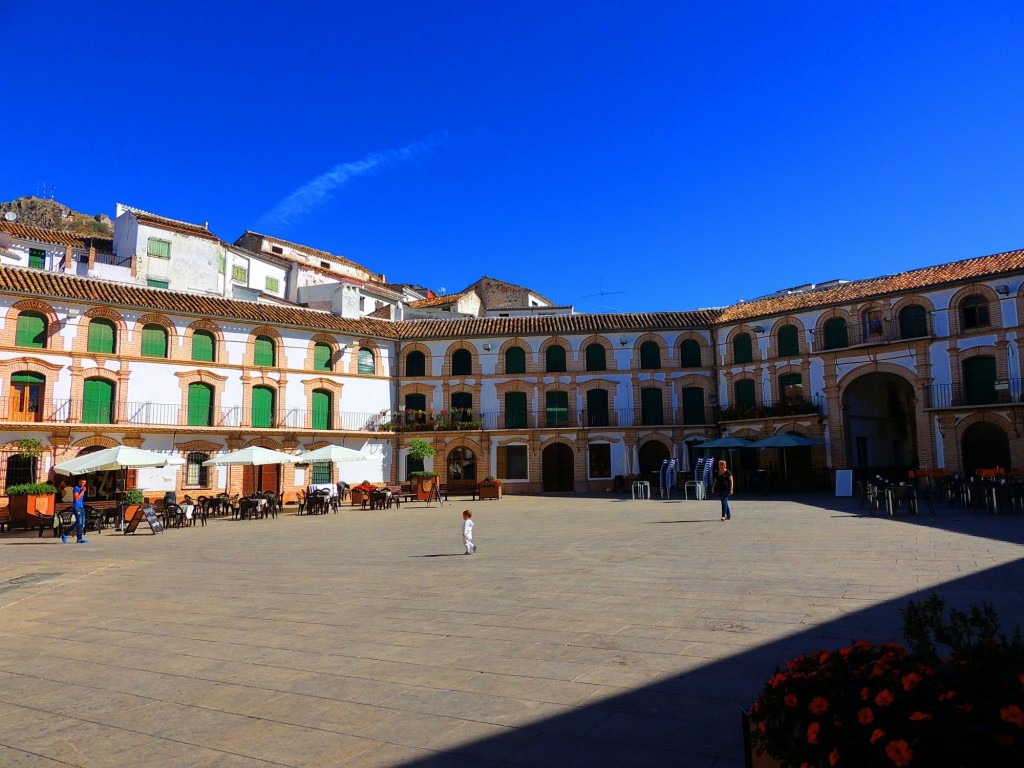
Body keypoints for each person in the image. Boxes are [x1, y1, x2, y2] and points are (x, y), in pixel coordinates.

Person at [70, 477, 88, 543]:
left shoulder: (82, 488)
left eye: (83, 482)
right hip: (76, 507)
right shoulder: (76, 488)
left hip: (81, 506)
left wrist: (83, 490)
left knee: (82, 523)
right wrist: (83, 491)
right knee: (79, 522)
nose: (82, 484)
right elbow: (76, 498)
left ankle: (79, 538)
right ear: (79, 482)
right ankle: (66, 533)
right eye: (81, 482)